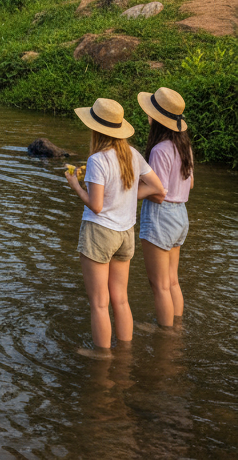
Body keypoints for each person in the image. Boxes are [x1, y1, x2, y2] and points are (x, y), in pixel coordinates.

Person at [66, 97, 164, 350]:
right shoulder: (133, 154)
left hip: (100, 233)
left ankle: (102, 357)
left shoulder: (97, 160)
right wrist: (128, 198)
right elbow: (155, 187)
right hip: (125, 234)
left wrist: (75, 185)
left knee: (99, 302)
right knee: (120, 299)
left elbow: (96, 205)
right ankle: (125, 352)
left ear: (96, 129)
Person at [137, 86, 193, 328]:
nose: (147, 116)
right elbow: (190, 185)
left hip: (162, 216)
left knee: (158, 285)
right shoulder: (184, 147)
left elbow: (158, 193)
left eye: (150, 113)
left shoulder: (159, 150)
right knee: (172, 282)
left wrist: (128, 193)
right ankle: (175, 328)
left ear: (157, 120)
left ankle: (165, 336)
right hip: (181, 215)